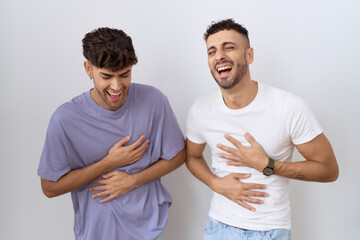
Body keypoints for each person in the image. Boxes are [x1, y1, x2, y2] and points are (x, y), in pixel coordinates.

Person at [186, 19, 338, 240]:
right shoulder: (200, 109)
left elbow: (329, 170)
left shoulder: (289, 107)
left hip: (270, 230)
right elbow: (192, 156)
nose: (219, 56)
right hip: (218, 227)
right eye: (212, 51)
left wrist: (268, 166)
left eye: (229, 47)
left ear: (249, 55)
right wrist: (215, 183)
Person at [37, 27, 185, 240]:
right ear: (88, 69)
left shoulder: (154, 100)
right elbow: (49, 188)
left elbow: (178, 154)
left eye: (124, 75)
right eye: (106, 76)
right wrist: (107, 163)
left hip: (150, 231)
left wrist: (132, 180)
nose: (117, 86)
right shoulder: (65, 119)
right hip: (96, 233)